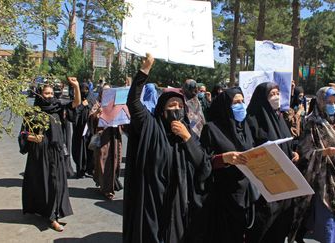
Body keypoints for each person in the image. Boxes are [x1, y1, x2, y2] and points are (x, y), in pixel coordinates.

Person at [123, 54, 212, 243]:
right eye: (172, 105)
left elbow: (203, 165)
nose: (177, 109)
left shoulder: (188, 134)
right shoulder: (151, 127)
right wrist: (144, 70)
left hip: (178, 204)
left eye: (180, 106)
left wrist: (187, 138)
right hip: (152, 201)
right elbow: (134, 103)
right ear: (162, 110)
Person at [197, 87, 259, 243]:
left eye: (242, 101)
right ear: (226, 106)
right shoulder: (212, 129)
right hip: (223, 197)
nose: (241, 105)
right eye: (236, 102)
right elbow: (201, 162)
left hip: (246, 194)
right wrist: (223, 159)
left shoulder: (244, 127)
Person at [20, 77, 81, 232]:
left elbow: (75, 105)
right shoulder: (32, 112)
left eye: (51, 93)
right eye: (46, 93)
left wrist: (76, 87)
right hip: (38, 155)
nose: (49, 96)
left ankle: (53, 216)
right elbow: (23, 133)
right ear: (40, 94)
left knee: (56, 184)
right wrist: (32, 137)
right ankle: (46, 212)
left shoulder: (58, 108)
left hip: (55, 153)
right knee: (42, 184)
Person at [291, 87, 335, 243]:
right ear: (320, 102)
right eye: (328, 102)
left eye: (334, 102)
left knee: (325, 215)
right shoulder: (311, 123)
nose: (332, 105)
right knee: (327, 220)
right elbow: (304, 152)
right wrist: (324, 153)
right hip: (319, 179)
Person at [245, 82, 299, 243]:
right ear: (262, 98)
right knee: (263, 227)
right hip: (265, 185)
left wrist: (293, 153)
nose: (276, 97)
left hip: (284, 182)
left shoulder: (279, 118)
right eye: (271, 94)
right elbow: (251, 149)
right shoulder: (252, 120)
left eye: (277, 93)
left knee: (280, 226)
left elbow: (286, 142)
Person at [88, 83, 123, 200]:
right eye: (105, 91)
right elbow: (91, 118)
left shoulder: (117, 105)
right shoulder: (98, 104)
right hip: (102, 138)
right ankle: (107, 189)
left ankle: (110, 185)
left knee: (115, 161)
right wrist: (97, 114)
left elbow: (124, 120)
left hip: (115, 138)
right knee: (103, 161)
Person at [72, 82, 96, 178]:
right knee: (79, 151)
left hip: (89, 130)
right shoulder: (77, 101)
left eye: (86, 90)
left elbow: (95, 111)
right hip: (79, 131)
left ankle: (90, 169)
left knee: (90, 151)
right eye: (82, 90)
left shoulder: (92, 99)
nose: (84, 92)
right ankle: (80, 170)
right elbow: (74, 113)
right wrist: (82, 105)